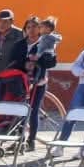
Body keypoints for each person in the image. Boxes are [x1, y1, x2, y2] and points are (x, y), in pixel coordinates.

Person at [26, 16, 61, 149]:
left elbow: (51, 62)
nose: (32, 30)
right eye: (29, 27)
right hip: (23, 80)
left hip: (38, 81)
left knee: (33, 110)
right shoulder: (22, 43)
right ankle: (19, 138)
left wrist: (36, 60)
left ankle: (31, 140)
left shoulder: (46, 40)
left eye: (35, 27)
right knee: (22, 110)